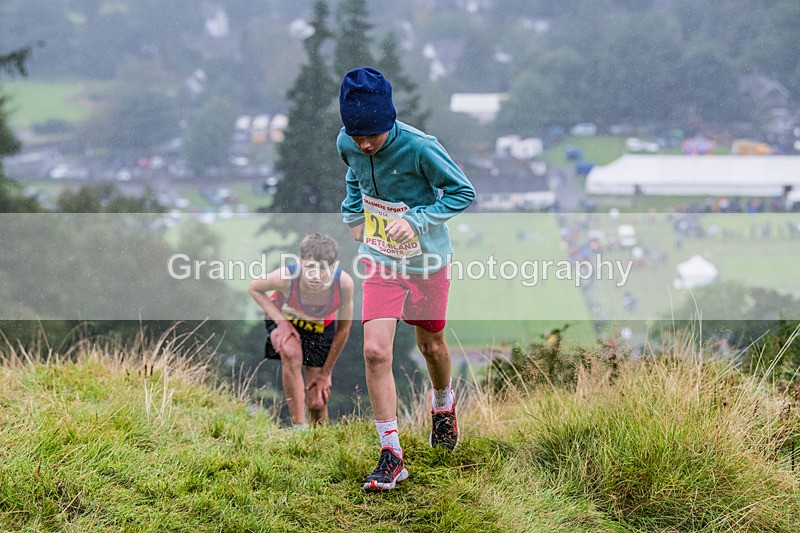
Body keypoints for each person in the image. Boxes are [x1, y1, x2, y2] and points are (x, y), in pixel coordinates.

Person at [337, 66, 476, 490]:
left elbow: (462, 192)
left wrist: (417, 220)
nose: (364, 144)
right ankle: (391, 455)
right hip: (380, 261)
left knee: (430, 344)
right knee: (376, 351)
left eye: (373, 136)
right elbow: (353, 177)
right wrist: (352, 214)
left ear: (390, 121)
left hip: (427, 263)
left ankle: (442, 406)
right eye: (357, 134)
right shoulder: (348, 142)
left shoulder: (420, 147)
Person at [248, 233, 354, 427]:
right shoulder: (285, 278)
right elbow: (255, 288)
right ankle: (298, 427)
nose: (315, 275)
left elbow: (344, 330)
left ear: (333, 267)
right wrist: (281, 322)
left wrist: (326, 373)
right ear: (300, 263)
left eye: (322, 269)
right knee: (291, 353)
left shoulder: (344, 285)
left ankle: (320, 440)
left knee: (317, 400)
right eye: (310, 267)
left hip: (321, 330)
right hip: (284, 319)